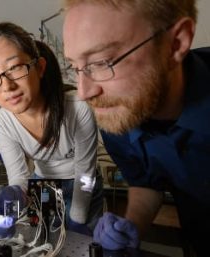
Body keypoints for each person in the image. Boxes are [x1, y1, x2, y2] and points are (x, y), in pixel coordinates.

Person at [62, 0, 210, 256]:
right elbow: (146, 181)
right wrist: (130, 226)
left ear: (175, 43)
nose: (84, 93)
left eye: (101, 62)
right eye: (76, 67)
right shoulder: (117, 116)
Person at [0, 22, 103, 238]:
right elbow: (19, 178)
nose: (6, 86)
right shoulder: (2, 122)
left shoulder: (78, 108)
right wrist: (11, 196)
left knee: (80, 243)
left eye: (14, 68)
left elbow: (85, 172)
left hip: (83, 183)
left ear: (40, 68)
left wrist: (78, 218)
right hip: (43, 183)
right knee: (42, 241)